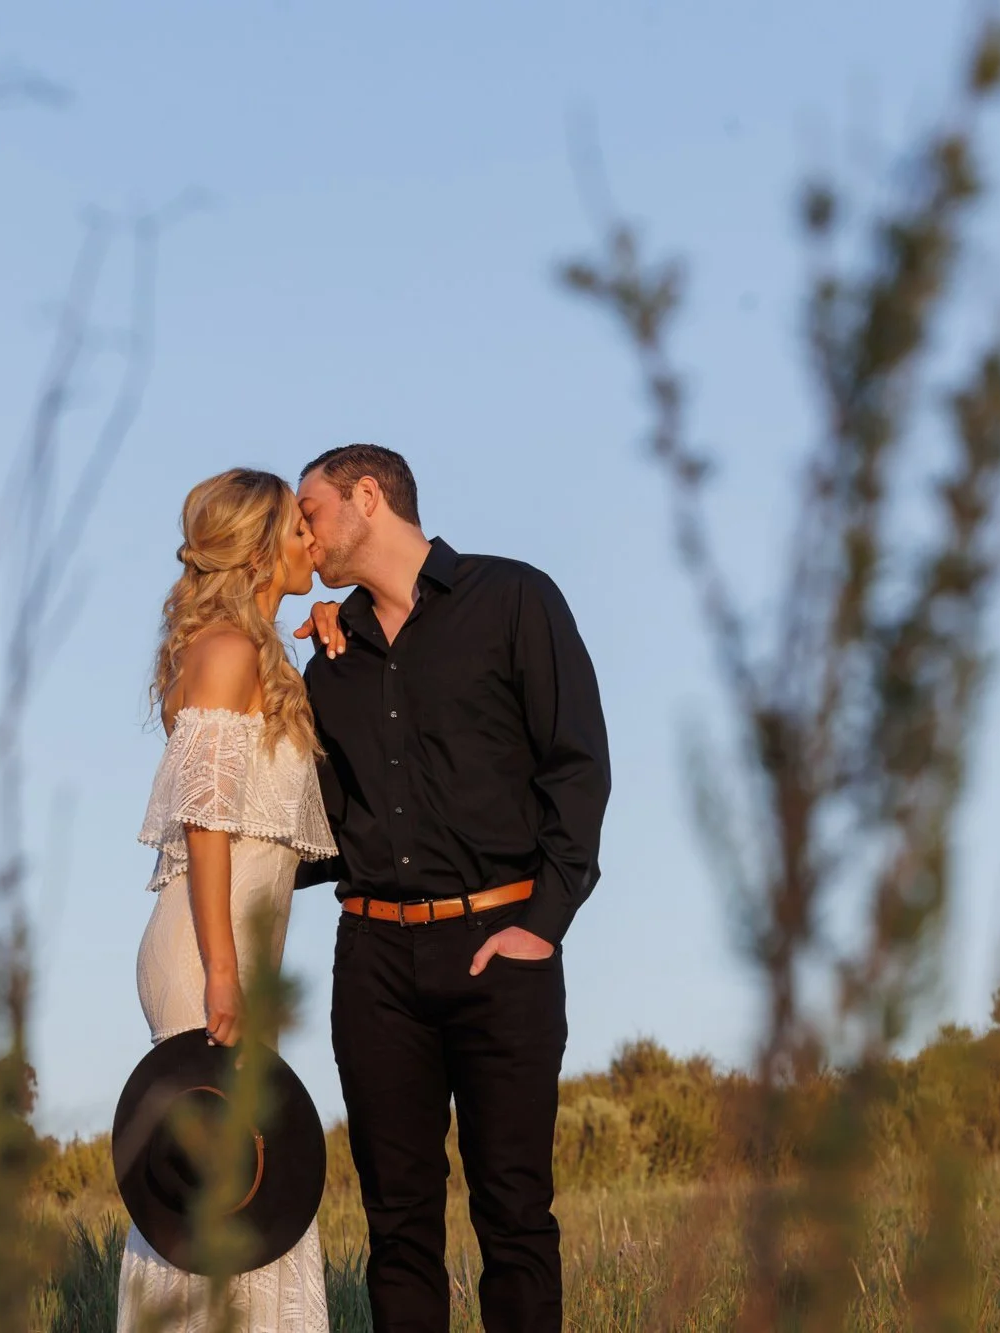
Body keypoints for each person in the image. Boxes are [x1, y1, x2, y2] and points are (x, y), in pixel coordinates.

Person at [292, 444, 610, 1333]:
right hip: (374, 962)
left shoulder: (515, 600)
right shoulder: (332, 658)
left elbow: (576, 767)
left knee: (514, 1214)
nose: (302, 534)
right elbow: (324, 832)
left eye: (309, 511)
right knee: (398, 1227)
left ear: (366, 497)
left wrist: (543, 922)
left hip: (500, 943)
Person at [118, 468, 338, 1333]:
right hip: (208, 957)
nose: (311, 545)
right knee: (223, 1185)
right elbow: (206, 823)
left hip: (232, 954)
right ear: (255, 549)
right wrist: (221, 974)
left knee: (246, 1187)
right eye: (296, 531)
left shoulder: (249, 652)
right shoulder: (227, 650)